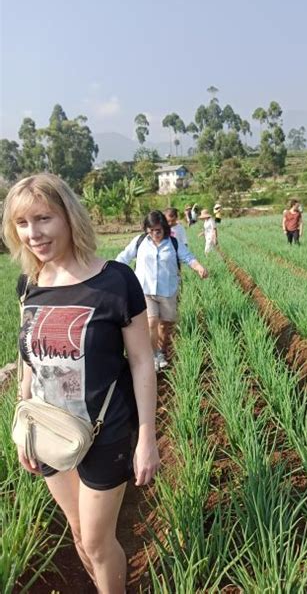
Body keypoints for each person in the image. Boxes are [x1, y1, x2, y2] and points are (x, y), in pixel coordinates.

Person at [2, 173, 160, 594]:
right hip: (50, 429)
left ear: (69, 217)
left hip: (106, 431)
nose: (33, 234)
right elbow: (29, 361)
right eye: (22, 224)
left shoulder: (115, 281)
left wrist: (148, 437)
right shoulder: (29, 286)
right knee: (76, 532)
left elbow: (143, 362)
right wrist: (24, 427)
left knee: (96, 539)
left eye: (43, 218)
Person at [116, 210, 208, 371]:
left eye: (157, 230)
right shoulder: (140, 241)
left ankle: (162, 351)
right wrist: (110, 272)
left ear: (164, 228)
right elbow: (124, 257)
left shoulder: (173, 243)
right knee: (151, 322)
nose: (154, 234)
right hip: (145, 289)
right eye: (150, 230)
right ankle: (153, 356)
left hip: (168, 290)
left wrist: (199, 267)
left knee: (166, 325)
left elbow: (188, 257)